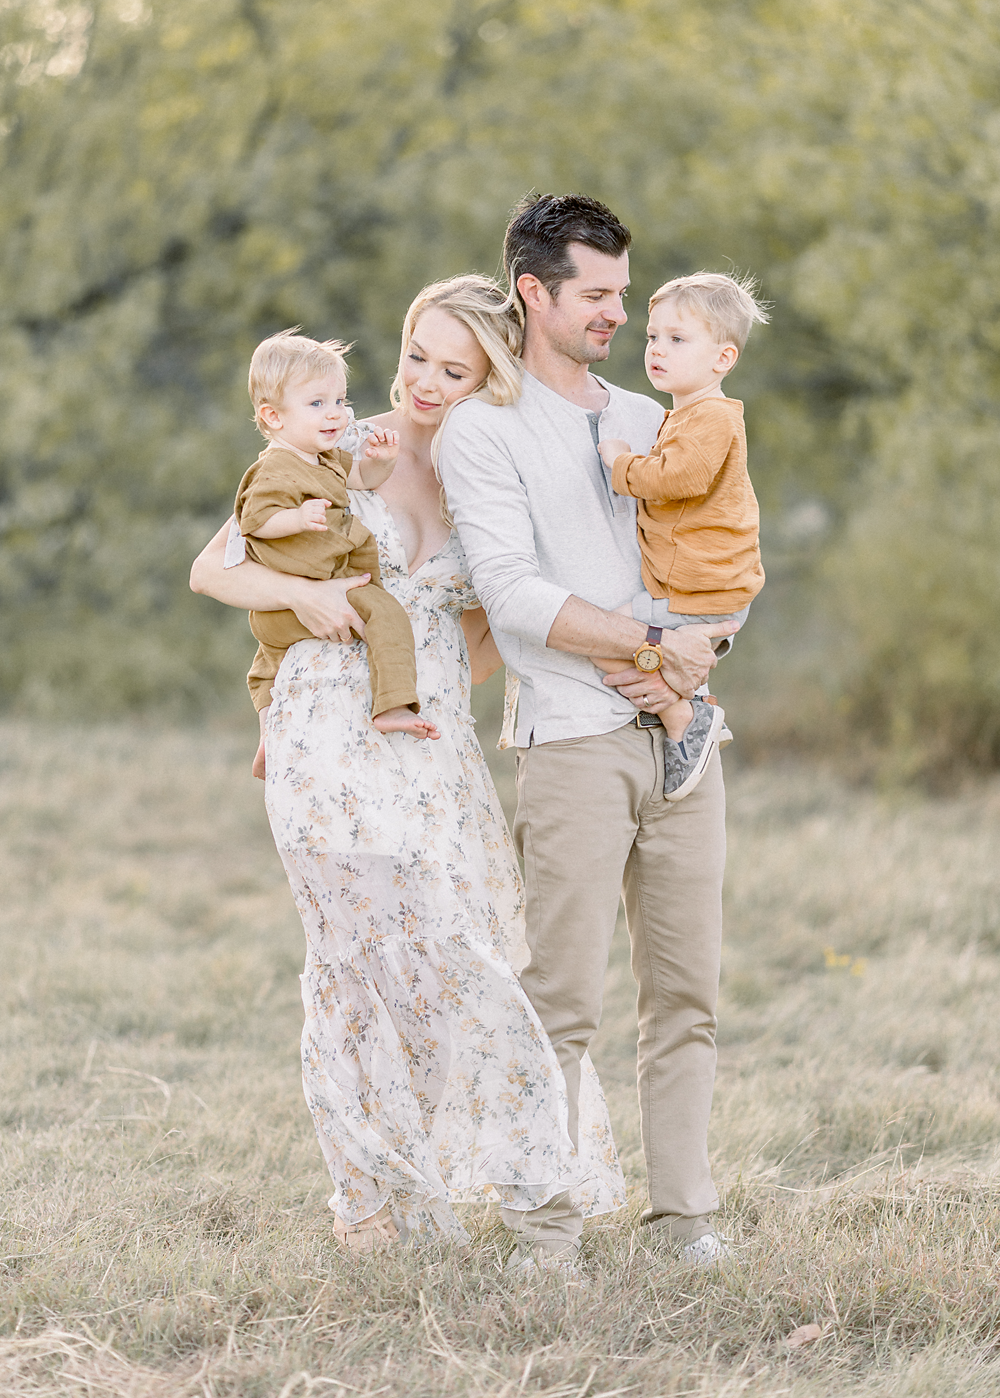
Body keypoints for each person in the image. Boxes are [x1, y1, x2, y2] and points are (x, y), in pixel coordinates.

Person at [190, 275, 624, 1256]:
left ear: (490, 378)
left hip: (428, 748)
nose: (423, 381)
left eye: (452, 368)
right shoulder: (339, 443)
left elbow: (486, 632)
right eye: (416, 354)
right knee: (347, 966)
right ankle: (368, 1207)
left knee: (450, 960)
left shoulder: (492, 479)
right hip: (323, 736)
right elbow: (216, 566)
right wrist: (302, 618)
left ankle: (502, 1184)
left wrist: (436, 694)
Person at [437, 195, 740, 1268]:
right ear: (535, 292)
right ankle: (543, 1230)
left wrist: (694, 651)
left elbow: (719, 553)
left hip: (682, 741)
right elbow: (512, 592)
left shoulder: (653, 416)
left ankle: (684, 1224)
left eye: (626, 294)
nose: (622, 314)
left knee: (687, 997)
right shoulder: (481, 429)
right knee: (558, 1001)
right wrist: (647, 645)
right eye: (599, 295)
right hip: (569, 737)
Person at [234, 328, 438, 780]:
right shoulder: (274, 468)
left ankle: (269, 736)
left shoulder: (323, 459)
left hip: (288, 607)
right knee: (387, 615)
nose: (335, 414)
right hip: (313, 593)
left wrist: (382, 460)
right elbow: (254, 520)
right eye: (317, 404)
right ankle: (393, 704)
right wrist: (297, 518)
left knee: (267, 667)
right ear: (273, 416)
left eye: (340, 401)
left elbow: (362, 479)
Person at [595, 271, 768, 801]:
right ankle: (684, 702)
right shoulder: (685, 415)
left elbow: (677, 479)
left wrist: (620, 463)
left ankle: (683, 714)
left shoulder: (714, 418)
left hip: (703, 591)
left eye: (677, 339)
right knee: (614, 634)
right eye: (652, 337)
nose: (657, 350)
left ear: (723, 359)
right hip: (699, 588)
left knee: (601, 631)